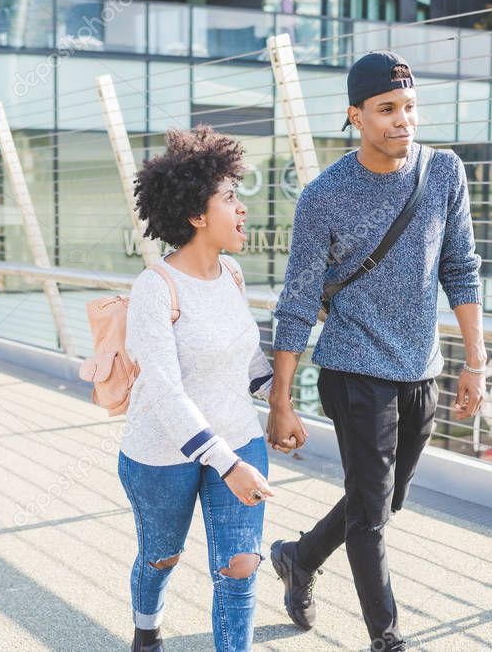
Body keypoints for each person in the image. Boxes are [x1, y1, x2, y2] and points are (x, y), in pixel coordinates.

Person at [266, 51, 488, 651]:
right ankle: (386, 640)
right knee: (370, 518)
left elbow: (461, 270)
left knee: (384, 499)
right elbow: (297, 302)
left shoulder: (444, 172)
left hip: (422, 370)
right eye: (386, 109)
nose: (402, 121)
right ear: (355, 116)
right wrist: (281, 400)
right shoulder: (324, 196)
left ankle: (298, 556)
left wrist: (474, 360)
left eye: (409, 107)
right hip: (352, 369)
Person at [120, 126, 275, 652]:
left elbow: (246, 359)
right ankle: (147, 628)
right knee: (161, 556)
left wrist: (280, 401)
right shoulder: (154, 288)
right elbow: (164, 393)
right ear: (195, 216)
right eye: (230, 198)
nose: (242, 209)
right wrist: (226, 464)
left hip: (239, 436)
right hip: (163, 453)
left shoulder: (232, 273)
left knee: (239, 566)